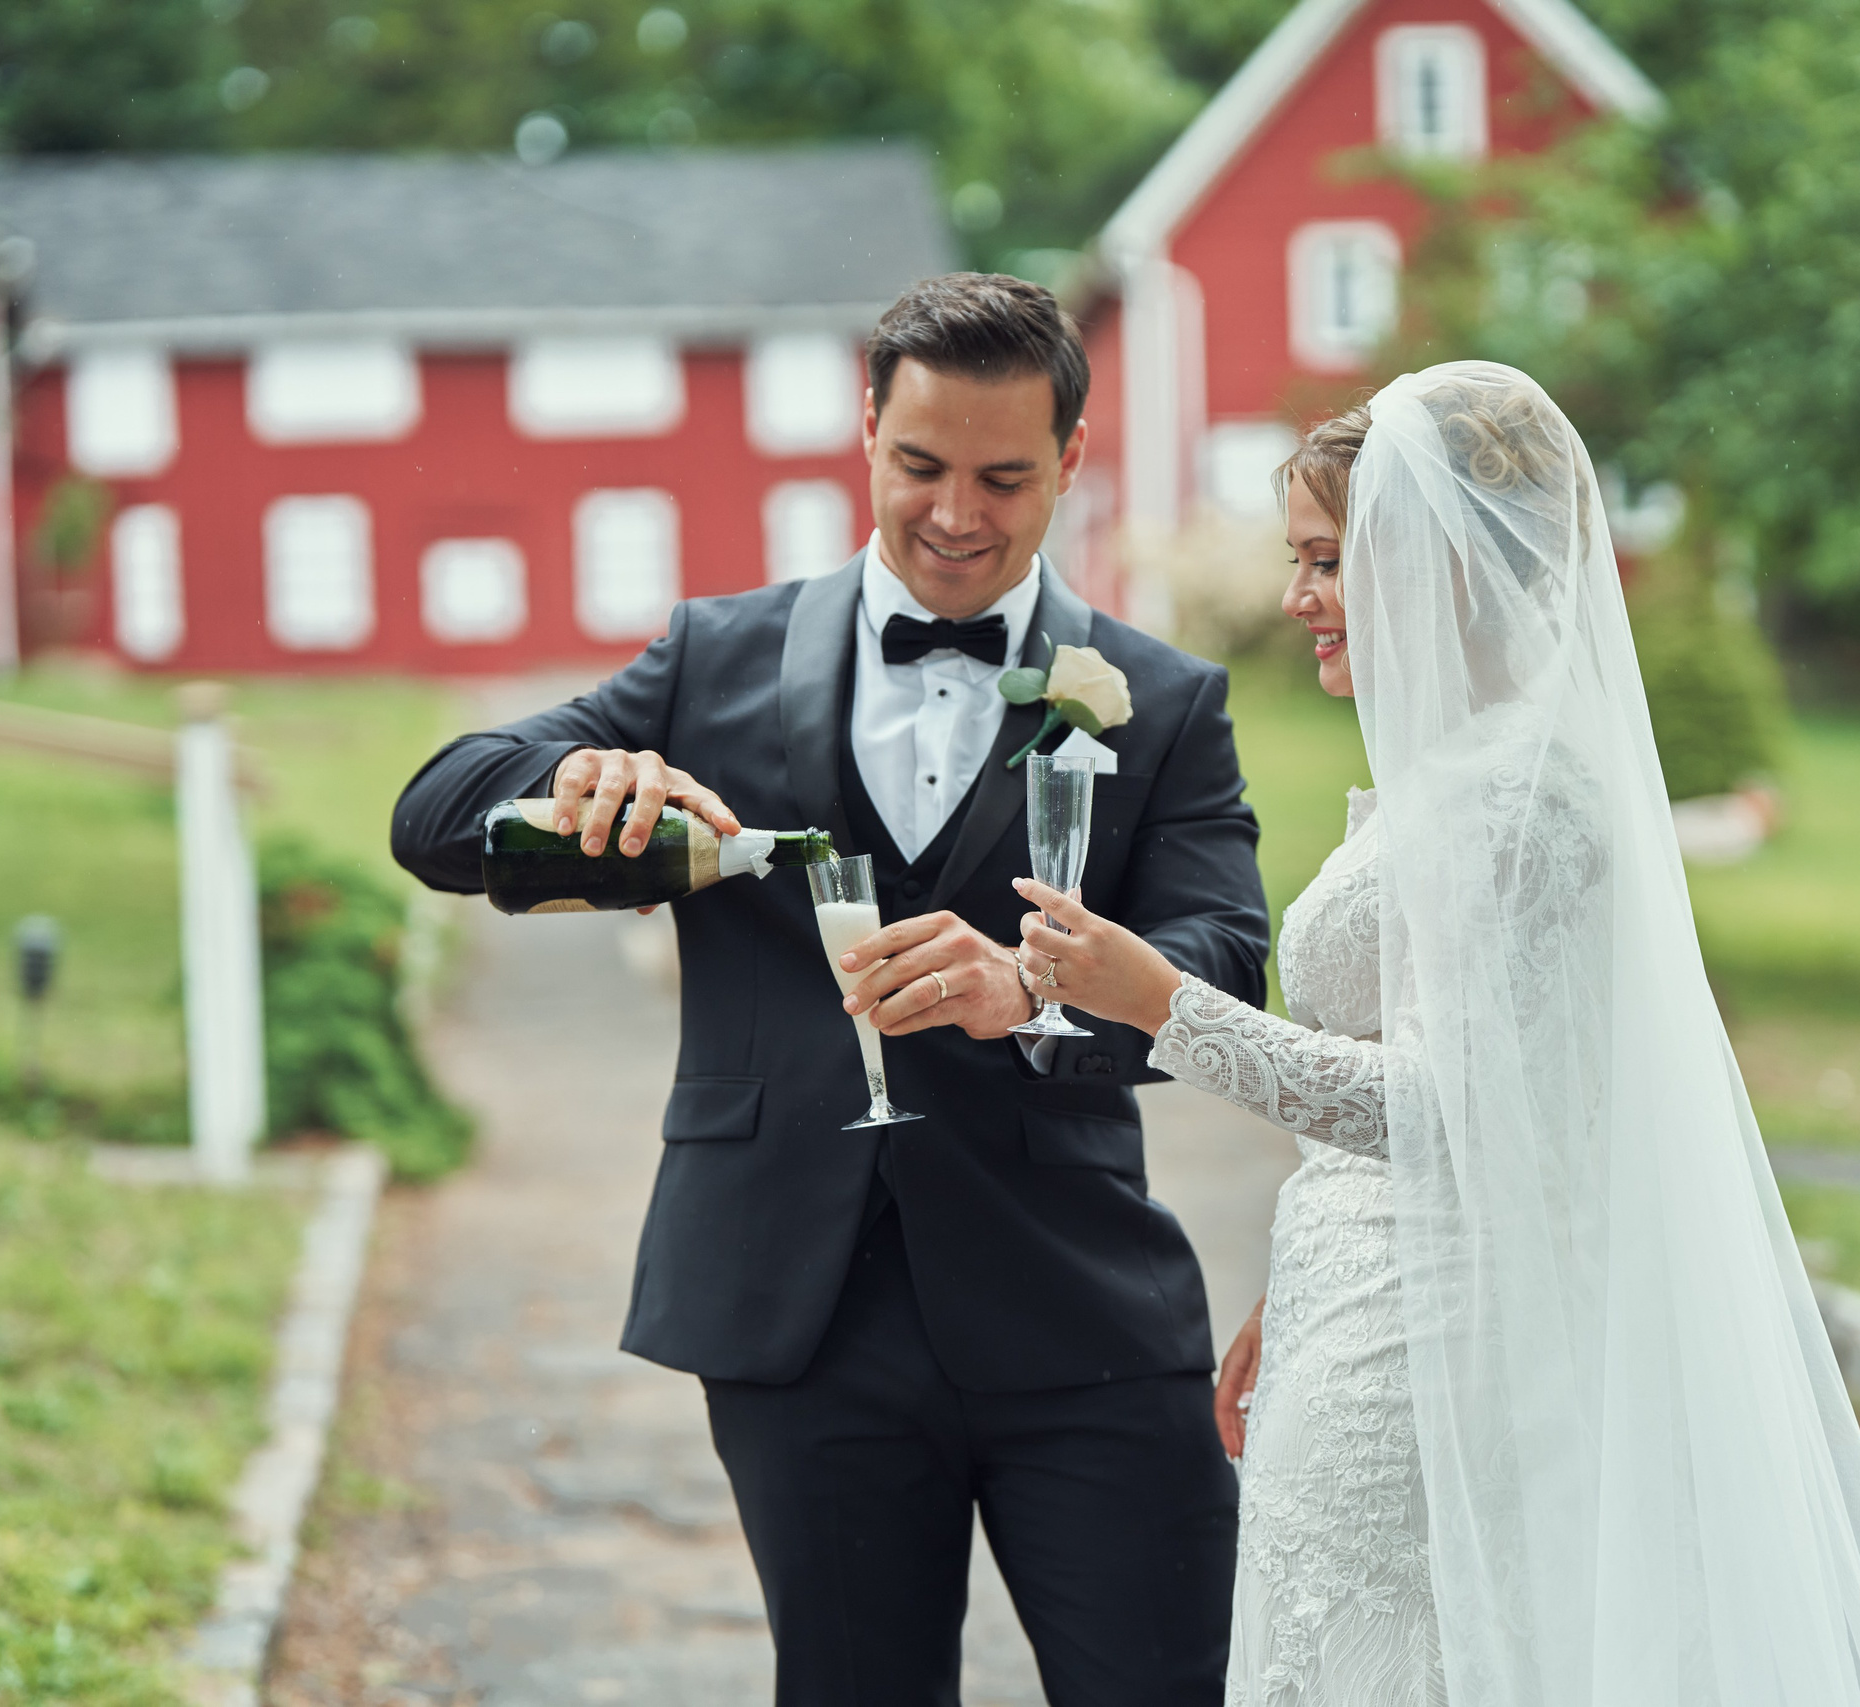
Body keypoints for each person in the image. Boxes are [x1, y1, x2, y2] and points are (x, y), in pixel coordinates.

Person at [1016, 363, 1860, 1706]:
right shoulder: (1456, 780)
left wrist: (1161, 1003)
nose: (1297, 601)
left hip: (1437, 1360)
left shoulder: (1522, 803)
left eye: (1323, 563)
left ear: (1436, 561)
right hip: (1365, 1315)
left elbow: (1451, 1110)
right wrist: (1297, 1294)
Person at [388, 273, 1271, 1705]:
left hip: (1081, 1321)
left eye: (1005, 477)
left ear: (1072, 461)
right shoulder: (711, 658)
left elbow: (1229, 966)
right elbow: (434, 815)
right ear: (867, 430)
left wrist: (1038, 987)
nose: (957, 515)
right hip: (796, 1316)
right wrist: (570, 781)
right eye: (921, 466)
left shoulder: (1159, 703)